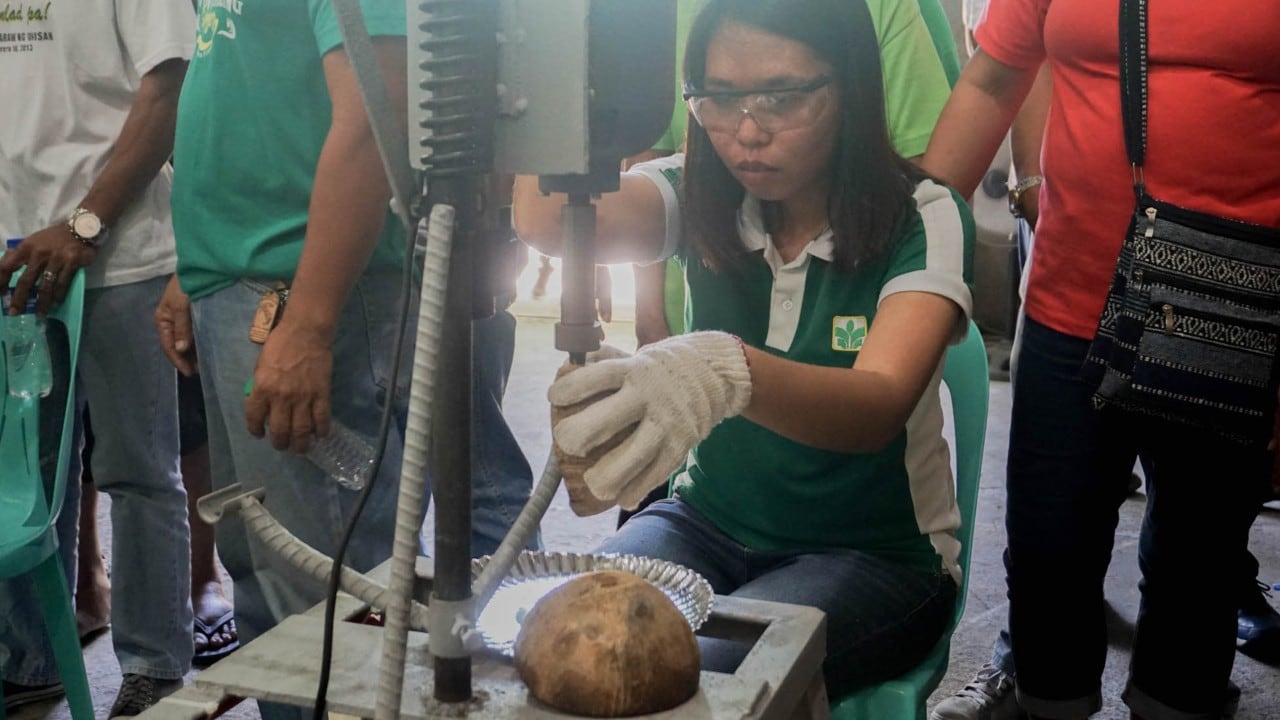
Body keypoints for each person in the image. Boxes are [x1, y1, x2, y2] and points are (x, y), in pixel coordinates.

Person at [517, 0, 974, 696]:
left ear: (849, 84)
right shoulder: (698, 190)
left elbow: (877, 405)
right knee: (569, 637)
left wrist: (722, 370)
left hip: (875, 556)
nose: (747, 133)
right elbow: (548, 218)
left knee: (685, 680)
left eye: (782, 97)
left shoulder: (924, 216)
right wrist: (544, 60)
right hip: (702, 523)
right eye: (719, 99)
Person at [159, 2, 535, 717]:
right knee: (268, 582)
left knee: (329, 606)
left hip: (300, 286)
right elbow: (253, 87)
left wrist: (310, 322)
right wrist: (199, 259)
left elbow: (375, 109)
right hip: (242, 279)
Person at [921, 0, 1280, 718]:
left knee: (1197, 565)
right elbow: (993, 82)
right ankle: (1049, 699)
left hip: (1233, 311)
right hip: (1068, 306)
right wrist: (914, 241)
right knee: (1048, 552)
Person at [0, 4, 196, 717]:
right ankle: (30, 657)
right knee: (25, 480)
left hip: (122, 256)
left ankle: (152, 663)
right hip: (14, 258)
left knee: (138, 471)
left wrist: (86, 223)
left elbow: (168, 86)